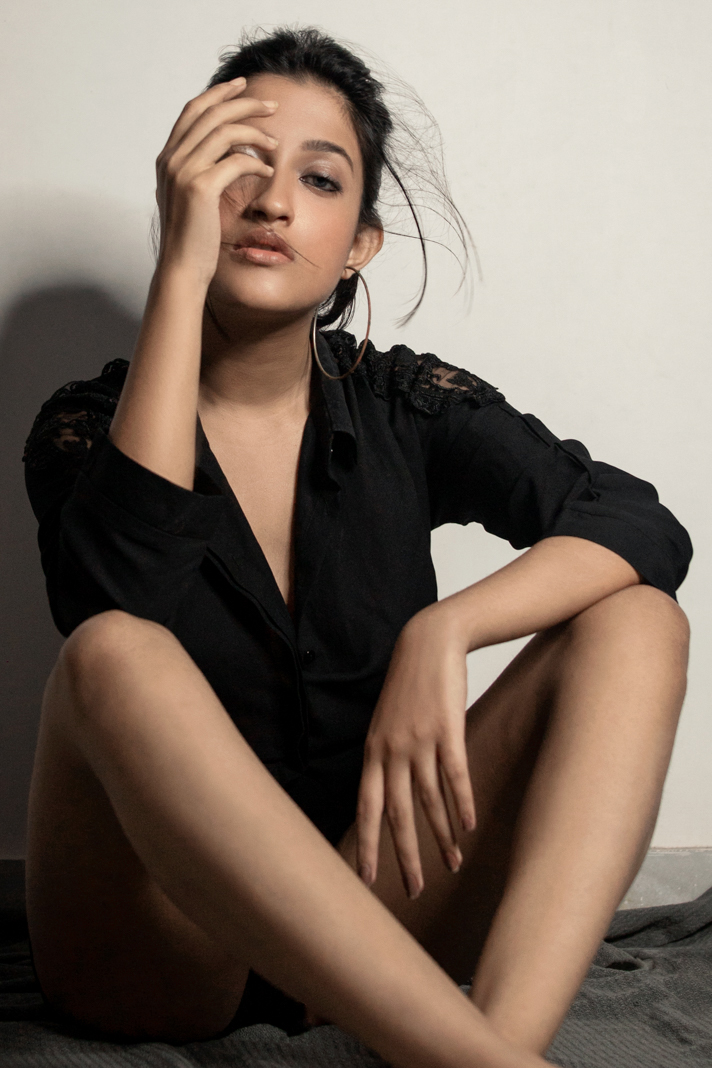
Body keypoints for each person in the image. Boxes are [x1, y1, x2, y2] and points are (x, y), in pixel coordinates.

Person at [21, 25, 691, 1068]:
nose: (272, 202)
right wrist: (179, 272)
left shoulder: (402, 402)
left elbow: (638, 522)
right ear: (184, 192)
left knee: (637, 618)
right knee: (113, 649)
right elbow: (122, 595)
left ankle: (498, 1048)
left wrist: (448, 629)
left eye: (319, 179)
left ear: (360, 243)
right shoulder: (86, 426)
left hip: (379, 901)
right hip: (161, 949)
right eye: (239, 164)